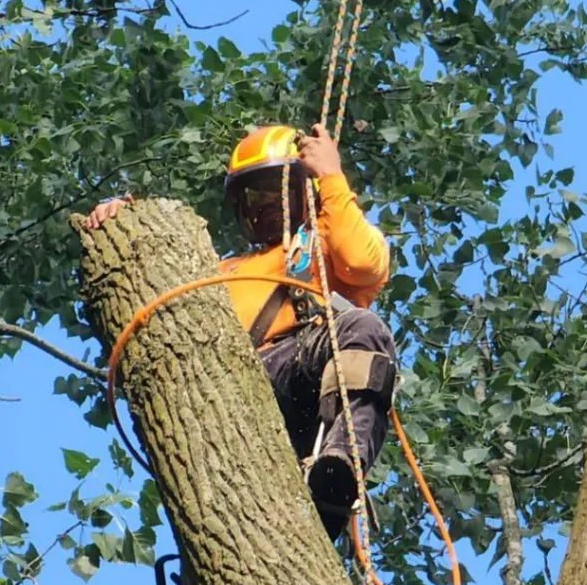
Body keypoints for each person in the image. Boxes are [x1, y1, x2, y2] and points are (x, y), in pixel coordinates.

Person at [83, 123, 396, 541]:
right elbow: (154, 308)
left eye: (274, 188)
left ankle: (340, 466)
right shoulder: (219, 270)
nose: (264, 203)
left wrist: (330, 177)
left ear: (301, 190)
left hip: (304, 372)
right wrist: (124, 222)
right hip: (228, 382)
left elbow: (361, 262)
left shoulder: (326, 240)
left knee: (363, 328)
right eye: (253, 194)